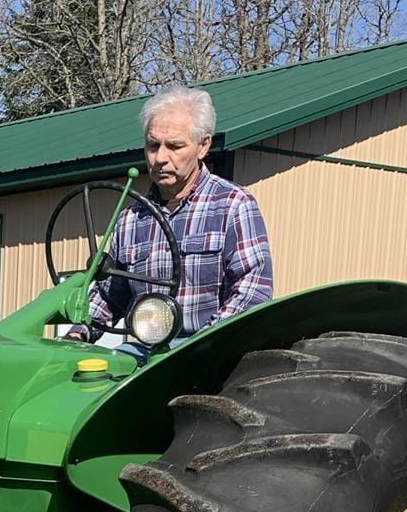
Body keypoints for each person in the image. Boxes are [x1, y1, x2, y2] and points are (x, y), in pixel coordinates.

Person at [84, 85, 272, 347]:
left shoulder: (232, 205)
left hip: (211, 349)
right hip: (144, 352)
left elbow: (253, 290)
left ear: (203, 146)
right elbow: (108, 296)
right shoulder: (130, 219)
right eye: (153, 145)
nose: (160, 157)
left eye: (174, 146)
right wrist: (78, 332)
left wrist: (198, 347)